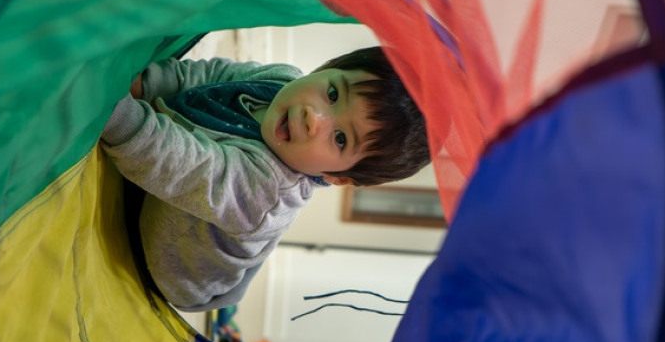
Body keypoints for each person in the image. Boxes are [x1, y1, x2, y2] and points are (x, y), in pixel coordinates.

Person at [100, 46, 429, 312]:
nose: (313, 118)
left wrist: (115, 112)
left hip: (181, 271)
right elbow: (209, 77)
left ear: (336, 177)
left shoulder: (267, 191)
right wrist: (151, 82)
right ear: (327, 66)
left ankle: (226, 303)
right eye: (332, 93)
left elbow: (180, 165)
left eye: (340, 138)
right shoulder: (279, 80)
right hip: (203, 203)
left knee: (183, 179)